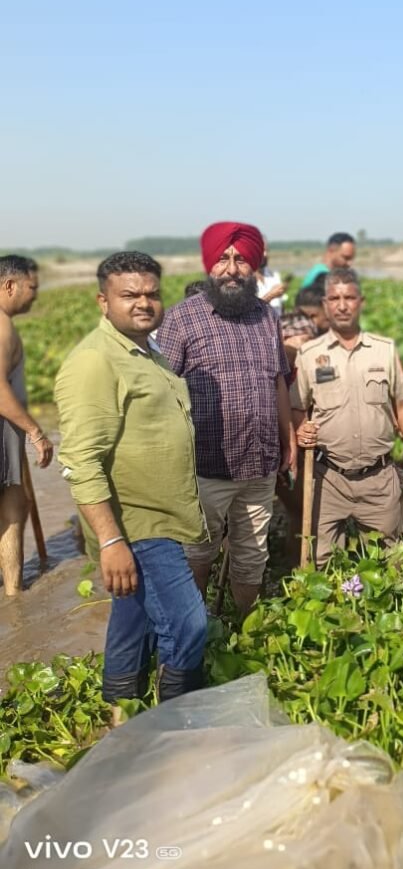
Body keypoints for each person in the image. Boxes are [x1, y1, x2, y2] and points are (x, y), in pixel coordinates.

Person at [54, 252, 207, 705]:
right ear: (103, 302)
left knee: (133, 618)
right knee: (188, 625)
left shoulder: (148, 352)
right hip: (137, 524)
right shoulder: (95, 362)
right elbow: (81, 459)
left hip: (159, 517)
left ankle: (118, 710)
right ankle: (178, 719)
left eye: (152, 294)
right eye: (129, 295)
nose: (144, 303)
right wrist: (109, 540)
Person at [158, 222, 296, 616]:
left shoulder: (267, 318)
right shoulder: (181, 319)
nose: (232, 268)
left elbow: (278, 382)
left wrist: (288, 439)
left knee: (252, 557)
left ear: (254, 266)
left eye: (241, 259)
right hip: (205, 467)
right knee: (197, 555)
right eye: (223, 258)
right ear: (209, 265)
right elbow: (164, 391)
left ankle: (243, 627)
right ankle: (196, 629)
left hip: (260, 464)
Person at [290, 268, 403, 566]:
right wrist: (301, 428)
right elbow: (296, 406)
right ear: (325, 304)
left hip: (378, 479)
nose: (342, 305)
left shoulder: (384, 351)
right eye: (335, 298)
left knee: (389, 562)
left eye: (349, 298)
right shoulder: (310, 354)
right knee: (321, 562)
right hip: (328, 479)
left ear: (360, 302)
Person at [0, 256, 53, 595]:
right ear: (9, 286)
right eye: (32, 288)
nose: (35, 295)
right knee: (14, 506)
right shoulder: (2, 326)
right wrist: (35, 432)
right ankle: (14, 595)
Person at [256, 238, 288, 315]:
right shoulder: (244, 279)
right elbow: (250, 312)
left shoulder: (275, 276)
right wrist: (270, 296)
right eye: (261, 250)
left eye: (267, 251)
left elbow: (281, 307)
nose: (265, 254)